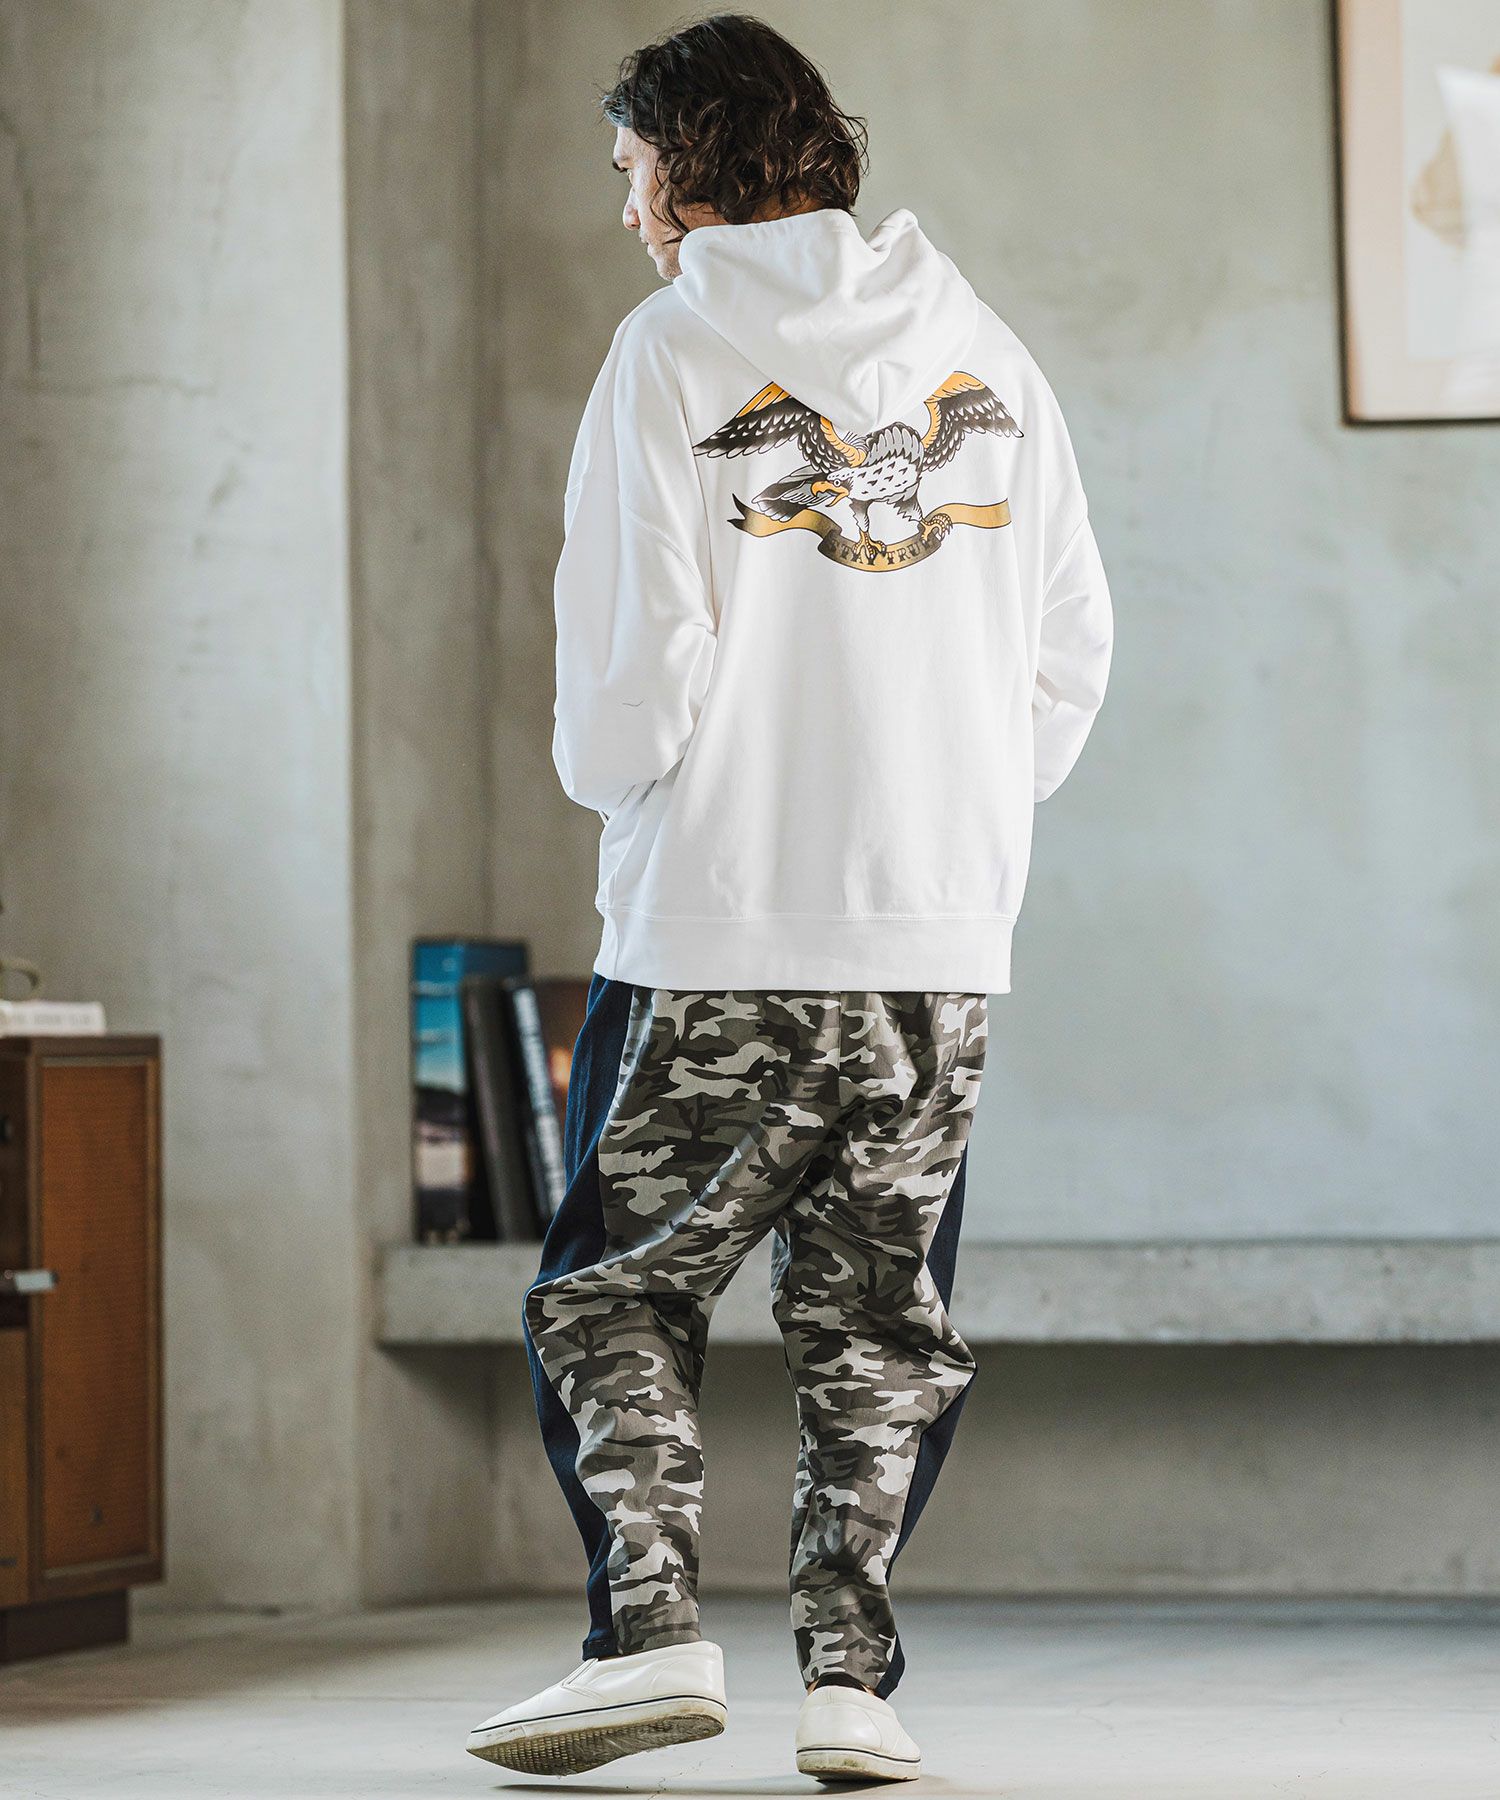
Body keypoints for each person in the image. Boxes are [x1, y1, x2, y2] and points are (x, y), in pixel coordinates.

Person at [466, 11, 1112, 1783]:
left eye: (631, 172)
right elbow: (1072, 652)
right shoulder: (988, 355)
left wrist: (629, 784)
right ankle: (852, 1685)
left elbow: (632, 680)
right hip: (936, 947)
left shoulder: (671, 351)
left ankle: (647, 1640)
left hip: (715, 926)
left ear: (695, 165)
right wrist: (945, 818)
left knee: (615, 1291)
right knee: (880, 1324)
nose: (625, 212)